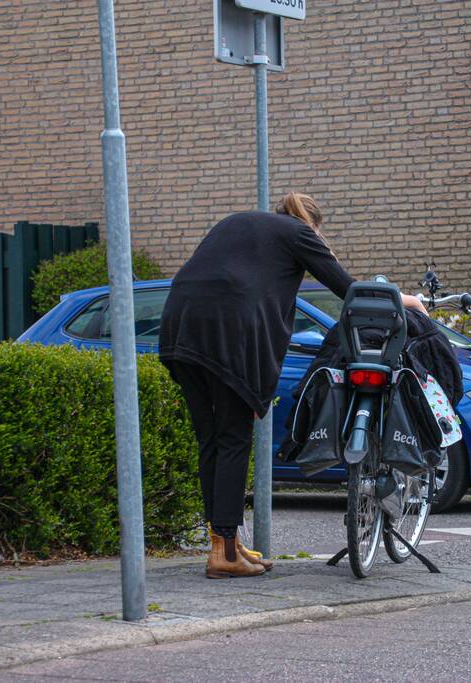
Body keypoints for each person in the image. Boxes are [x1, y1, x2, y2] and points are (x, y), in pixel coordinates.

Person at [159, 192, 425, 579]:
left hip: (180, 327)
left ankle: (225, 544)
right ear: (313, 225)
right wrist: (411, 301)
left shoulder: (243, 223)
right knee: (233, 438)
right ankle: (223, 554)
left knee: (212, 440)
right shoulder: (299, 234)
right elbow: (348, 289)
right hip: (227, 333)